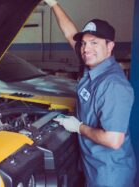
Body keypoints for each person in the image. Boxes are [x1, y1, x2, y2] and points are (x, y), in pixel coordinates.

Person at [43, 0, 136, 186]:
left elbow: (113, 140)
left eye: (94, 43)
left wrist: (78, 127)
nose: (86, 49)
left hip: (110, 174)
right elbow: (70, 34)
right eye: (84, 43)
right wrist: (53, 4)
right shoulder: (93, 65)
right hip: (93, 167)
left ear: (110, 46)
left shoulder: (113, 85)